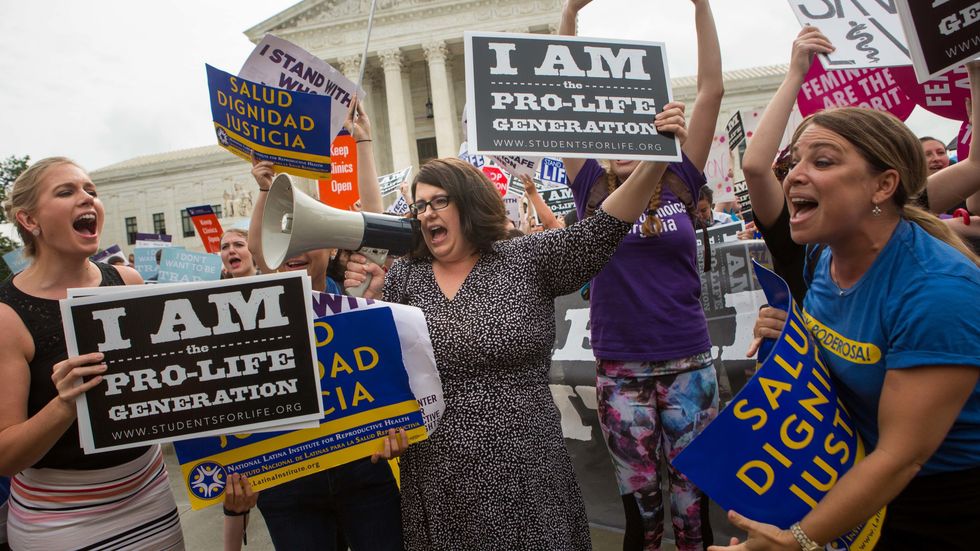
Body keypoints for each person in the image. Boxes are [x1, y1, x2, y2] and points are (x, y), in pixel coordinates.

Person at [345, 101, 688, 549]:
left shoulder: (526, 258)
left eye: (439, 201)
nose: (427, 213)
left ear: (468, 203)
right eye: (420, 205)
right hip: (440, 478)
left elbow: (604, 226)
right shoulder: (405, 277)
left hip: (528, 473)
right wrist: (362, 309)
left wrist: (655, 160)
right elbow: (385, 375)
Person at [717, 48, 980, 551]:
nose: (793, 175)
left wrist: (793, 541)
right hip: (852, 481)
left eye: (822, 161)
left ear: (884, 185)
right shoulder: (820, 256)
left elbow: (901, 456)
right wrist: (794, 338)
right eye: (794, 162)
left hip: (941, 506)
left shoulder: (939, 293)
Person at [557, 1, 724, 549]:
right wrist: (568, 16)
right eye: (613, 135)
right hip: (620, 367)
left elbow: (711, 91)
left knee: (691, 503)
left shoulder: (681, 173)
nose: (625, 143)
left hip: (689, 364)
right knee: (643, 509)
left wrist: (701, 5)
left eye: (638, 131)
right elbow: (562, 103)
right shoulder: (590, 191)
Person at [243, 98, 407, 551]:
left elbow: (373, 226)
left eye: (306, 234)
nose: (294, 248)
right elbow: (260, 251)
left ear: (332, 248)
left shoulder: (351, 289)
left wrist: (364, 143)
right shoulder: (259, 306)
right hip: (291, 478)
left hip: (361, 467)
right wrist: (264, 190)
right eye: (285, 237)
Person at [0, 157, 184, 549]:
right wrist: (64, 405)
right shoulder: (7, 316)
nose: (87, 198)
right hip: (62, 520)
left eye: (91, 192)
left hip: (152, 495)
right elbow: (6, 455)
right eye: (66, 192)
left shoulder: (127, 282)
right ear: (29, 221)